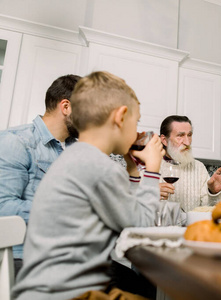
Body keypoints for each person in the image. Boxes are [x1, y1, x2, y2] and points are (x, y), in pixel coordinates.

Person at [12, 71, 165, 300]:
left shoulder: (76, 157)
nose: (137, 132)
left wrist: (133, 170)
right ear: (120, 117)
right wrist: (152, 170)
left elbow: (124, 212)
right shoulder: (99, 166)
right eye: (137, 121)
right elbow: (140, 224)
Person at [0, 74, 81, 273]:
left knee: (137, 282)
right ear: (66, 107)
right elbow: (3, 207)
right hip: (23, 257)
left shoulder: (76, 149)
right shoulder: (16, 141)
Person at [158, 115, 221, 212]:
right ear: (164, 140)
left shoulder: (199, 167)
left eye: (189, 135)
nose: (187, 142)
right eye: (180, 136)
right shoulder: (149, 167)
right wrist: (150, 194)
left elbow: (211, 211)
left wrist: (213, 192)